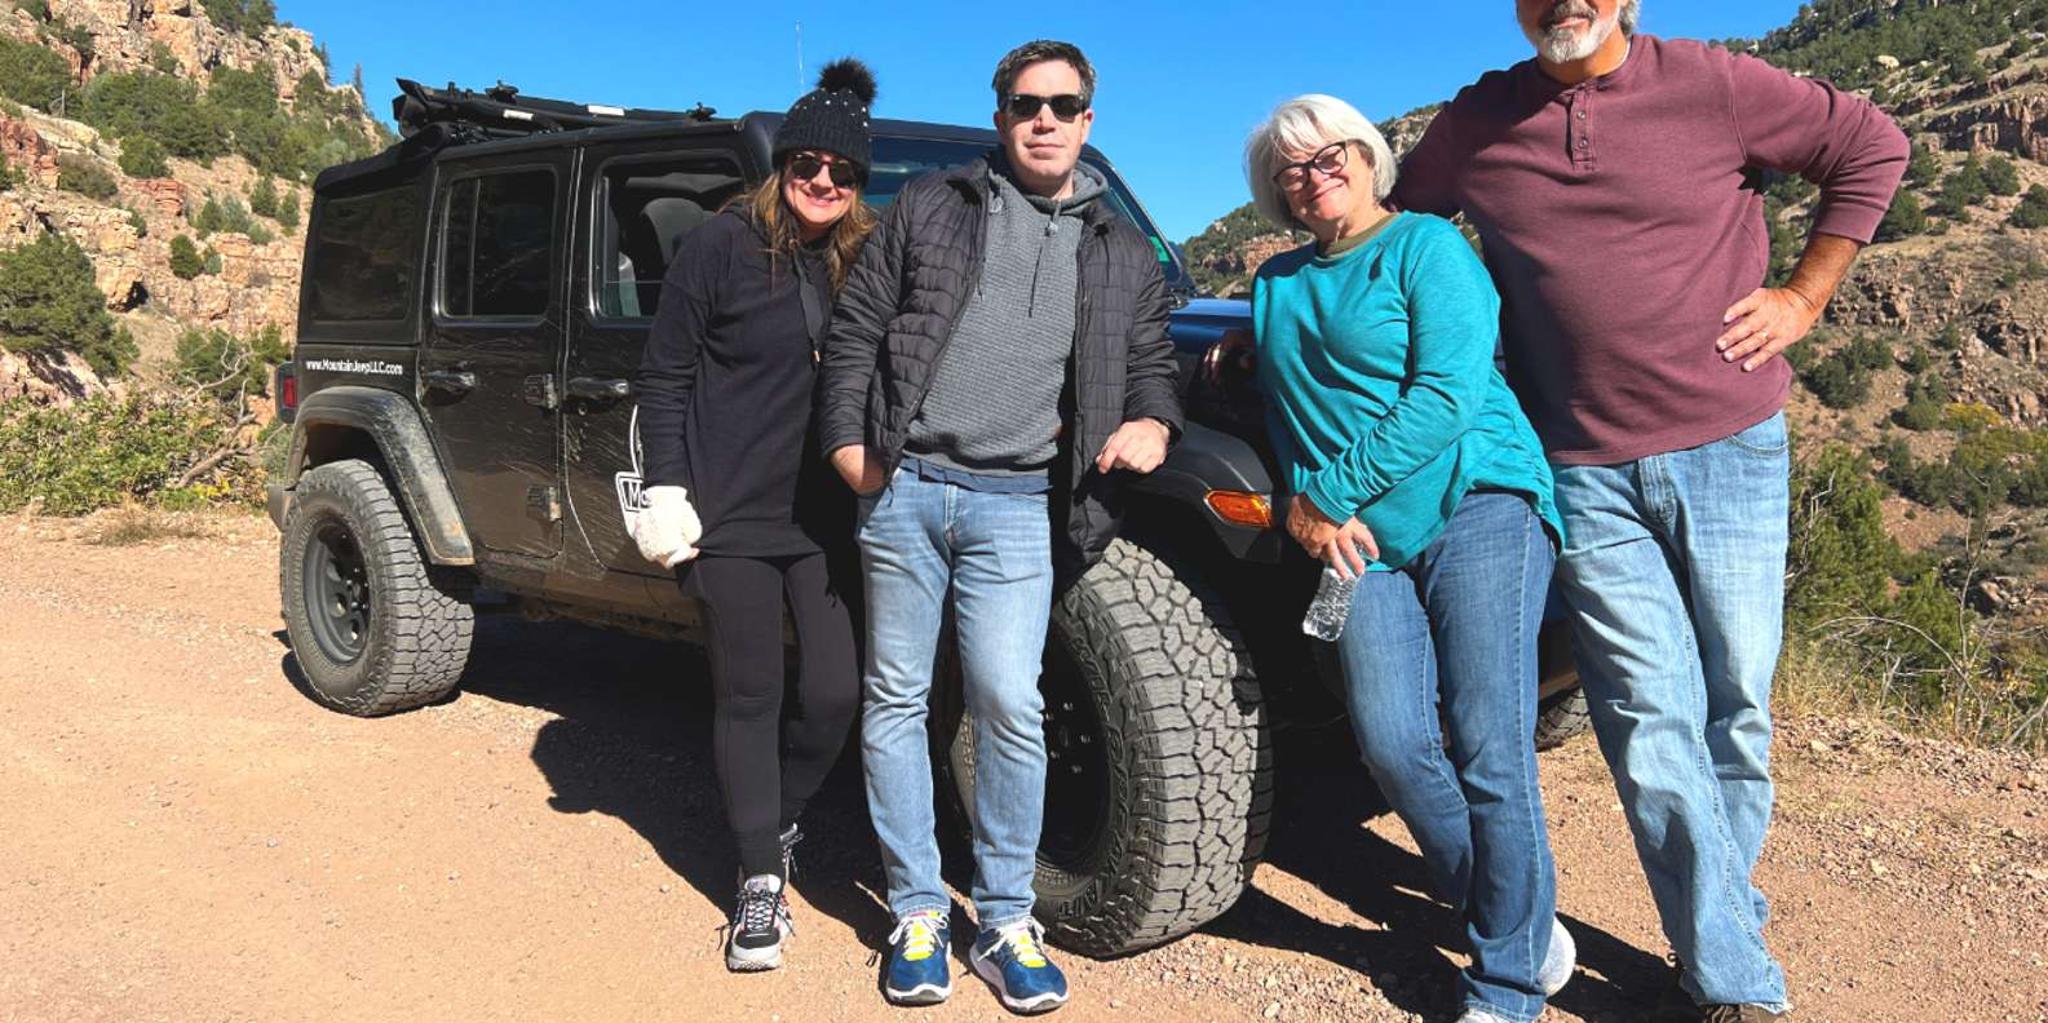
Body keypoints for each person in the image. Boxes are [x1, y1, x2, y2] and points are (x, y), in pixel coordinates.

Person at [1392, 3, 1908, 1019]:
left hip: (1730, 448)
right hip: (1580, 467)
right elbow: (1392, 229)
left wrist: (1803, 296)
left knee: (1735, 709)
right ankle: (1728, 977)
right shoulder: (1476, 123)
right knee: (1644, 715)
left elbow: (1870, 145)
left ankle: (1716, 921)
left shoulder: (1712, 84)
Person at [817, 38, 1182, 1015]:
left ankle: (1006, 919)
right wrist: (849, 453)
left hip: (1020, 503)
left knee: (1008, 705)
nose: (1044, 119)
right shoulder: (933, 204)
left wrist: (1153, 417)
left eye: (1063, 104)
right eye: (1026, 102)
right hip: (904, 489)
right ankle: (914, 912)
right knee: (895, 697)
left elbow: (1148, 353)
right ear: (1000, 114)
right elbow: (856, 326)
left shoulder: (1115, 245)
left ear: (1087, 120)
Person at [1243, 94, 1573, 1023]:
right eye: (1294, 167)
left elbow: (1450, 393)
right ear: (1279, 192)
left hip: (1478, 504)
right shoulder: (1275, 281)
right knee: (1391, 739)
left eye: (1332, 152)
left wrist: (1318, 499)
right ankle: (1515, 913)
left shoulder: (1426, 247)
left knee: (1489, 743)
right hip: (1366, 544)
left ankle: (1505, 983)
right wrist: (1231, 356)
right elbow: (1283, 383)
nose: (1316, 173)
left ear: (1369, 156)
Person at [629, 58, 879, 974]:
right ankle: (758, 878)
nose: (823, 183)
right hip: (726, 511)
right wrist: (667, 487)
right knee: (750, 693)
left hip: (823, 517)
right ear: (783, 164)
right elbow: (662, 374)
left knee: (833, 694)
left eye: (842, 173)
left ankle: (776, 820)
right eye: (809, 164)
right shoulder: (721, 246)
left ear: (857, 183)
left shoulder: (863, 256)